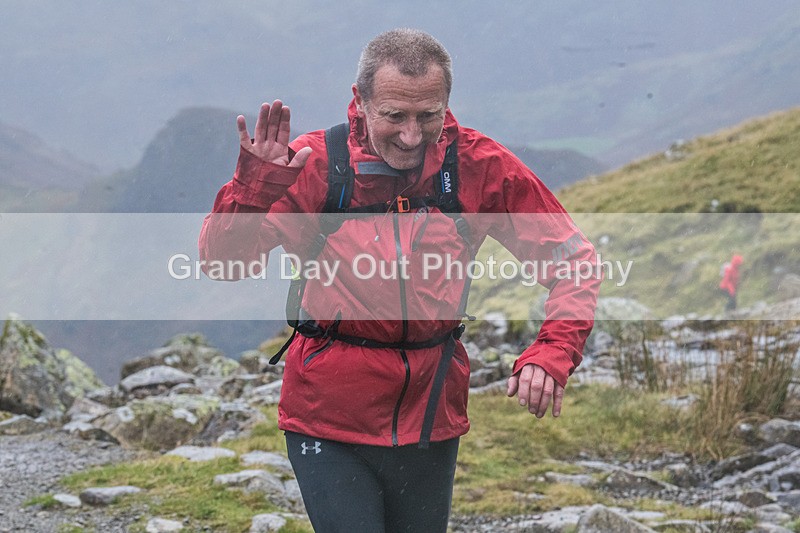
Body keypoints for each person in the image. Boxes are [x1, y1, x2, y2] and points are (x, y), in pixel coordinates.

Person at [199, 28, 600, 532]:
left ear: (446, 104)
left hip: (432, 416)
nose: (411, 135)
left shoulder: (478, 167)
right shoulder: (311, 165)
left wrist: (553, 352)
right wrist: (253, 189)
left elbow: (575, 262)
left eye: (428, 116)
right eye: (394, 116)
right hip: (327, 417)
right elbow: (223, 262)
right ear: (360, 101)